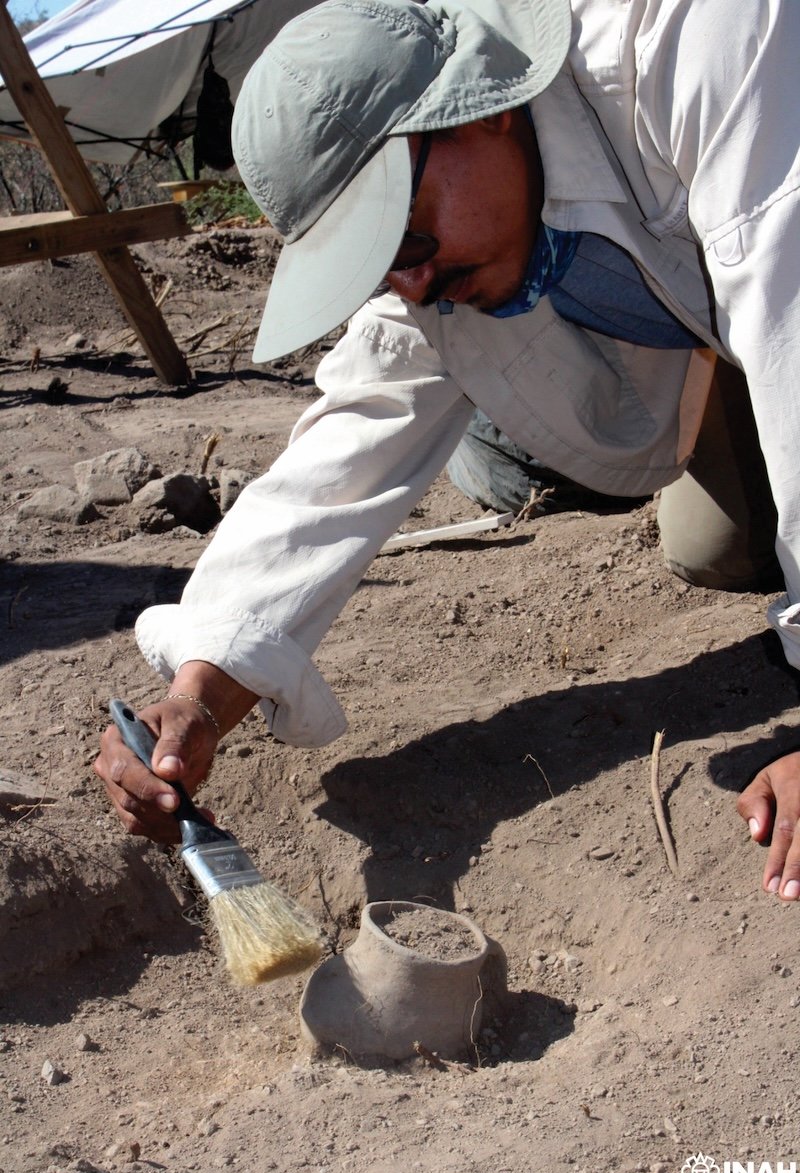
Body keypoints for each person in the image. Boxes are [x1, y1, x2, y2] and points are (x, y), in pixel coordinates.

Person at [95, 0, 800, 900]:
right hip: (738, 316)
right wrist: (200, 690)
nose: (413, 279)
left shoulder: (697, 37)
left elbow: (787, 298)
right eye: (380, 261)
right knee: (719, 548)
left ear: (482, 107)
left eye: (409, 234)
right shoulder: (434, 267)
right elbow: (344, 455)